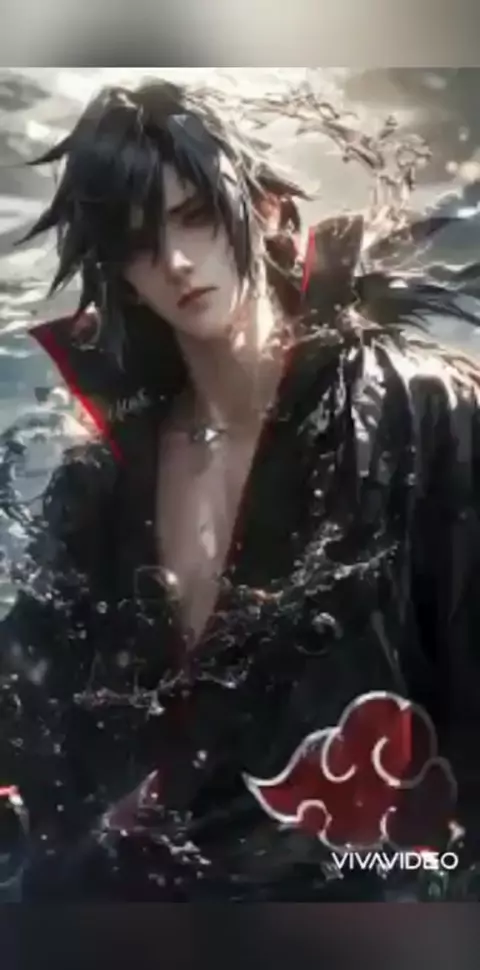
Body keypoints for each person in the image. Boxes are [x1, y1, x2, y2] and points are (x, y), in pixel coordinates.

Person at [2, 77, 480, 902]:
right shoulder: (103, 479)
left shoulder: (419, 410)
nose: (177, 263)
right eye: (141, 242)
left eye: (195, 216)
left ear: (262, 208)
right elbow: (36, 715)